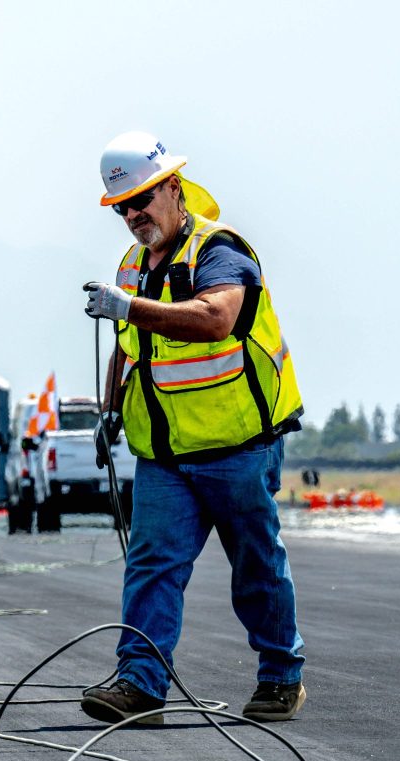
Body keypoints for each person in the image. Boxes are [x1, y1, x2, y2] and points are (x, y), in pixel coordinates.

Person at [79, 132, 306, 723]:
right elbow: (128, 350)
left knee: (255, 565)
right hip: (165, 455)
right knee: (152, 565)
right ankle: (141, 685)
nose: (133, 216)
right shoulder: (132, 267)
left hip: (238, 448)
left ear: (173, 189)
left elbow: (215, 318)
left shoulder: (220, 253)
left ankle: (282, 677)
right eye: (122, 207)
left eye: (142, 200)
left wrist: (126, 308)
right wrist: (108, 413)